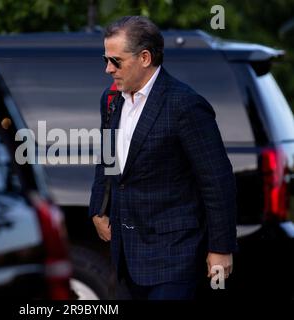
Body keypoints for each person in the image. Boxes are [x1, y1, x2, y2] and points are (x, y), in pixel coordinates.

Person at [89, 16, 237, 300]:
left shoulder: (184, 104)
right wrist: (98, 207)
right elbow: (108, 157)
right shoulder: (111, 100)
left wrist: (220, 249)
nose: (108, 69)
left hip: (175, 256)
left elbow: (217, 180)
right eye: (105, 59)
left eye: (116, 61)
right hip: (126, 255)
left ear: (144, 58)